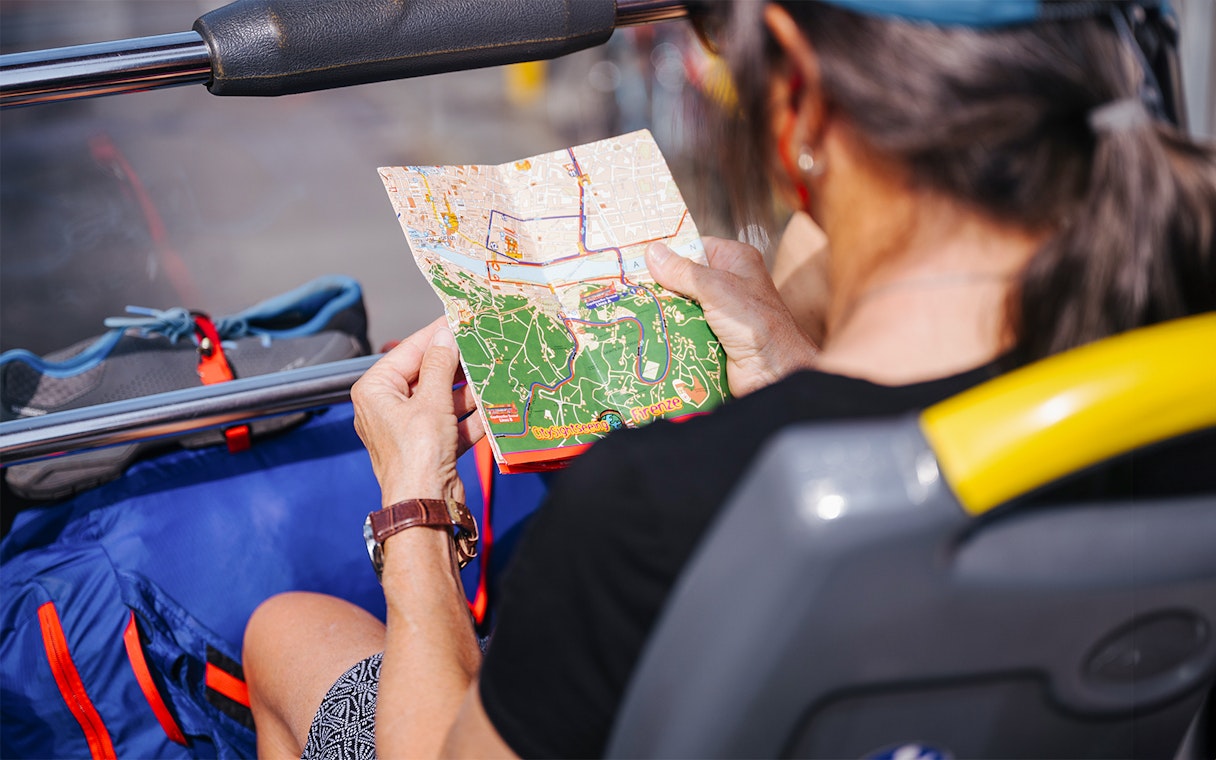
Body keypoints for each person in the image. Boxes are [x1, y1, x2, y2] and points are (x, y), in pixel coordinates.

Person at [243, 1, 1216, 757]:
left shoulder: (655, 503)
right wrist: (791, 366)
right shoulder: (1180, 378)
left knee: (290, 632)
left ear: (798, 91)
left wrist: (415, 507)